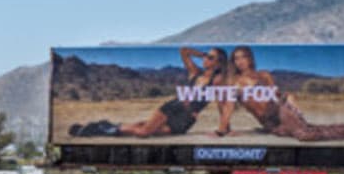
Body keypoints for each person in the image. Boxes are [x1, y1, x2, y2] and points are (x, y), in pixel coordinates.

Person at [213, 46, 344, 141]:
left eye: (243, 57)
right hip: (270, 124)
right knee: (314, 129)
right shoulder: (234, 83)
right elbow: (228, 107)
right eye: (236, 58)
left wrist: (289, 98)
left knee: (305, 135)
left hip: (281, 113)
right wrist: (223, 130)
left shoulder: (263, 75)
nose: (240, 61)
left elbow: (277, 95)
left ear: (250, 58)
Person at [70, 47, 227, 138]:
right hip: (173, 108)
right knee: (144, 132)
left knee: (144, 126)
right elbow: (184, 51)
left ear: (219, 62)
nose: (206, 59)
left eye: (211, 57)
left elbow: (224, 103)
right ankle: (98, 129)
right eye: (206, 56)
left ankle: (106, 126)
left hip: (187, 119)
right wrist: (202, 54)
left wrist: (223, 128)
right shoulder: (195, 73)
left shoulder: (217, 81)